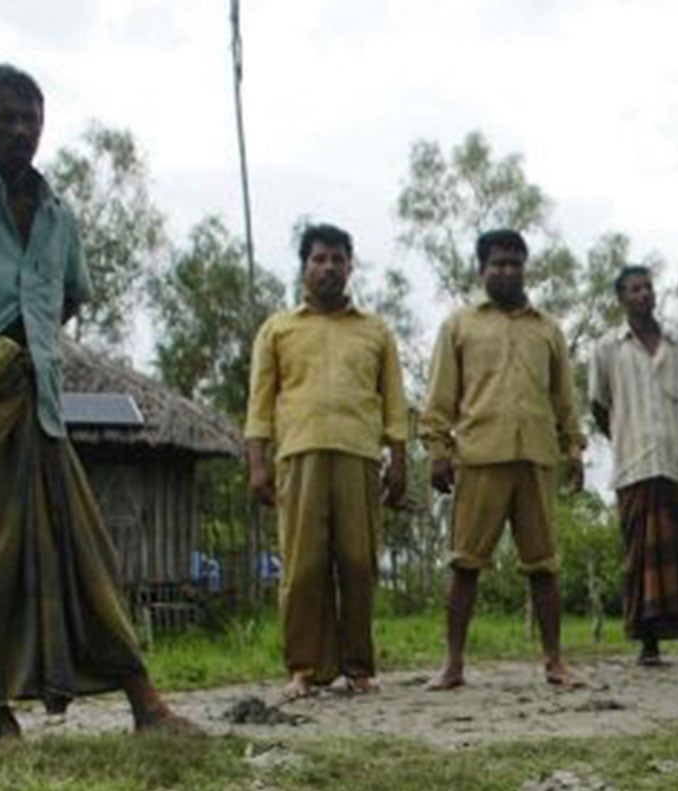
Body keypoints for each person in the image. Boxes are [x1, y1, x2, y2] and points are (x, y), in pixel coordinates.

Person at [0, 63, 192, 743]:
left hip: (42, 401)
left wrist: (36, 337)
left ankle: (144, 702)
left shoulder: (55, 214)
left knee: (82, 545)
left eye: (30, 117)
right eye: (4, 116)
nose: (19, 129)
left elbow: (70, 292)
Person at [246, 222, 409, 701]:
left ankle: (360, 667)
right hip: (298, 455)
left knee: (358, 563)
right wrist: (257, 462)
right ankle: (303, 668)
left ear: (350, 267)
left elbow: (395, 403)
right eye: (319, 259)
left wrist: (398, 459)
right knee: (303, 565)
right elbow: (260, 402)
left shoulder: (375, 330)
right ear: (304, 267)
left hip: (360, 454)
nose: (329, 267)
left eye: (338, 259)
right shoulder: (278, 329)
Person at [422, 230, 586, 691]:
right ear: (481, 269)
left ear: (525, 268)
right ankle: (453, 664)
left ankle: (555, 662)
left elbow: (563, 398)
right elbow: (440, 396)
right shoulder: (459, 326)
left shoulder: (547, 329)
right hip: (479, 456)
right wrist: (438, 449)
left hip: (536, 457)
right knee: (465, 564)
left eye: (515, 263)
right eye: (498, 263)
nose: (508, 271)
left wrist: (573, 447)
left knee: (544, 566)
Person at [590, 265, 678, 667]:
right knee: (640, 558)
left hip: (674, 462)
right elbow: (599, 406)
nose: (644, 295)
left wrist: (667, 435)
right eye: (634, 289)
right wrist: (627, 437)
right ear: (621, 298)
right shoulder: (607, 348)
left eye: (648, 288)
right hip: (633, 466)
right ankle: (649, 645)